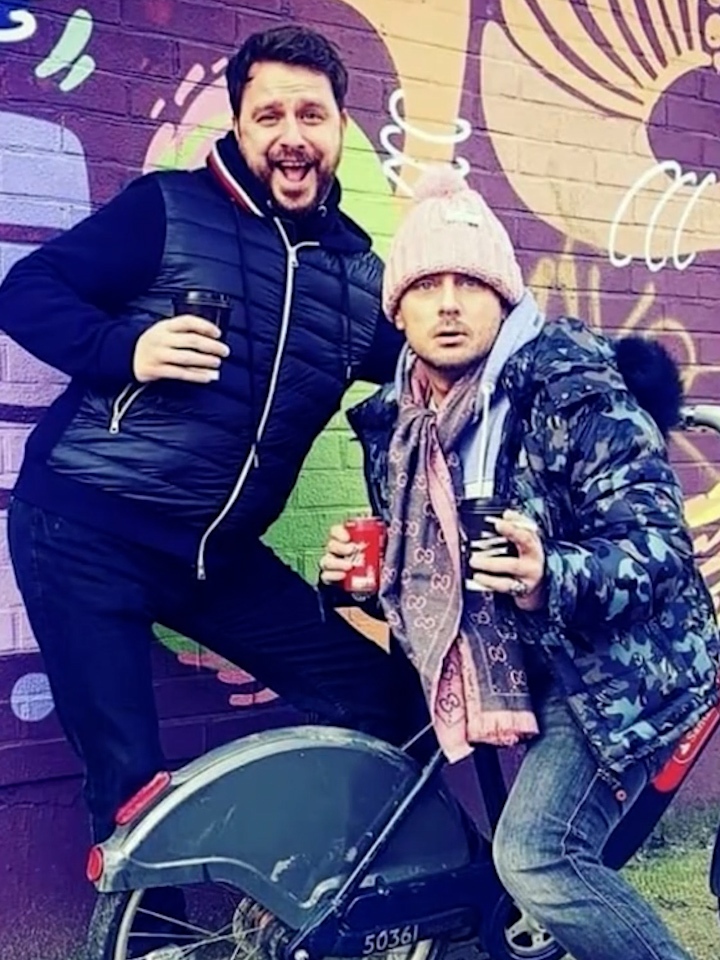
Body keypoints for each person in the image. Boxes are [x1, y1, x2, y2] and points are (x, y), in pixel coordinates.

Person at [0, 23, 415, 852]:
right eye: (269, 117)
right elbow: (27, 288)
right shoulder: (168, 207)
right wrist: (127, 349)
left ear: (338, 127)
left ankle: (345, 886)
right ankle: (151, 941)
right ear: (238, 124)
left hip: (214, 555)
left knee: (384, 700)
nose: (291, 137)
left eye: (311, 114)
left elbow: (443, 355)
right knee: (132, 791)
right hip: (85, 533)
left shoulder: (358, 275)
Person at [319, 166, 720, 960]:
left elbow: (661, 549)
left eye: (470, 283)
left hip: (612, 669)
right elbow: (423, 561)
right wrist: (352, 576)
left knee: (538, 854)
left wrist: (552, 575)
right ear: (397, 308)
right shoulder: (399, 423)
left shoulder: (572, 388)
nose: (448, 303)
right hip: (492, 665)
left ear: (502, 298)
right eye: (426, 284)